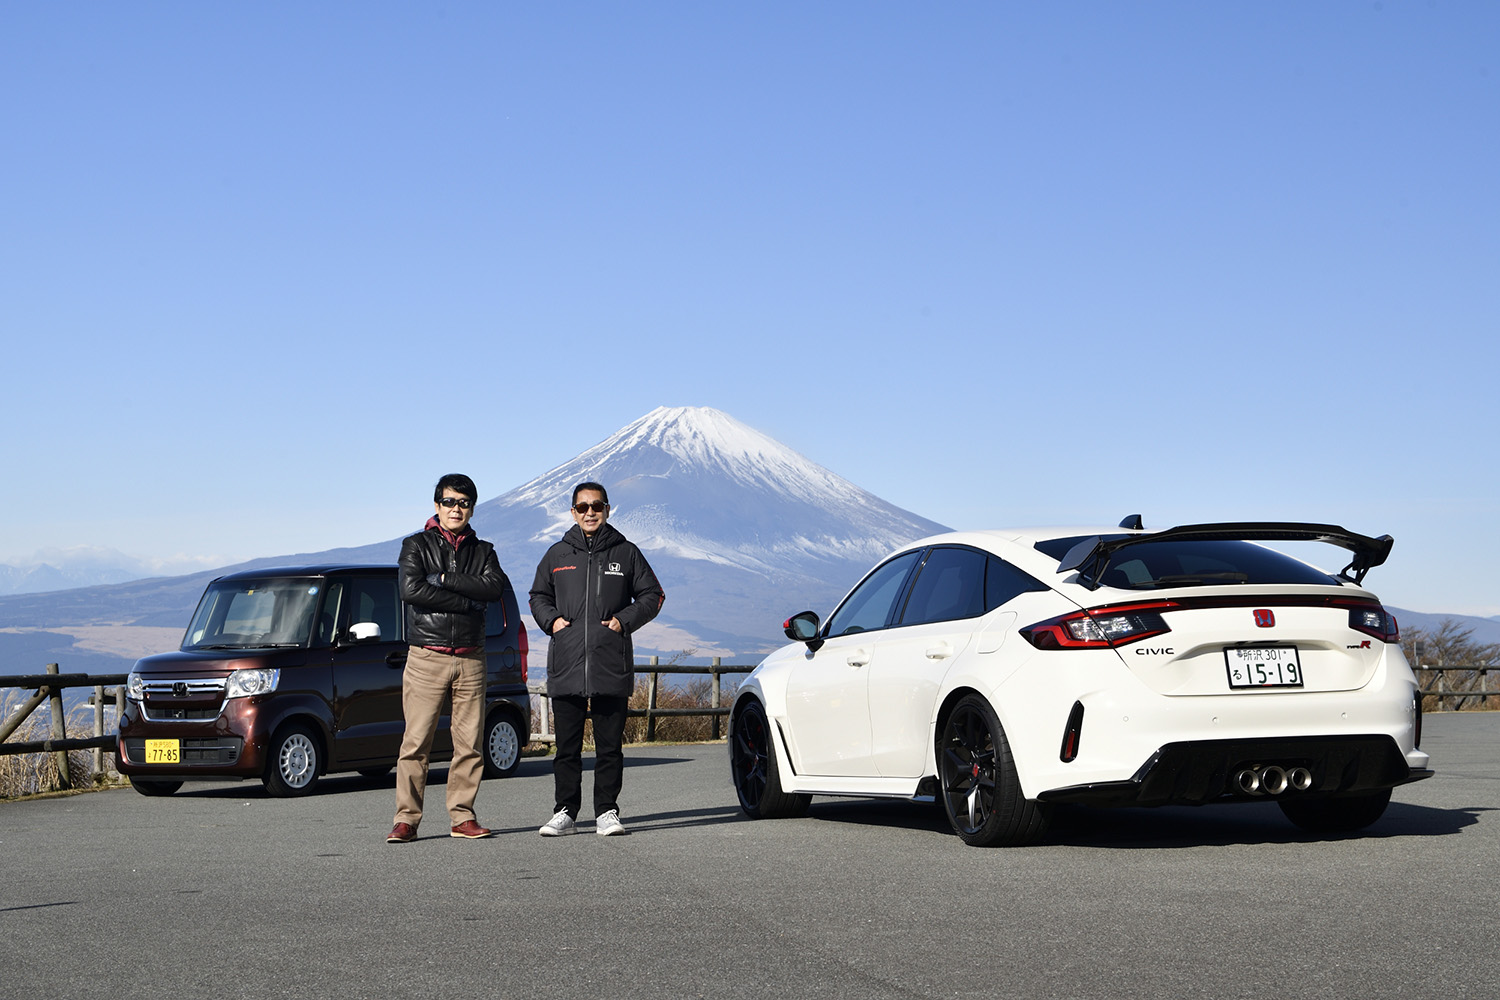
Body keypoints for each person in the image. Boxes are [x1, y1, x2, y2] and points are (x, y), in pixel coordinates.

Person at [529, 482, 664, 836]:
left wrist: (624, 621)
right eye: (583, 506)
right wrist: (552, 622)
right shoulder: (557, 555)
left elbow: (653, 594)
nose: (590, 512)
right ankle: (565, 812)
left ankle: (606, 811)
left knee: (609, 748)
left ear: (607, 509)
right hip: (567, 663)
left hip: (609, 663)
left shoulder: (627, 553)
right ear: (573, 512)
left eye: (597, 506)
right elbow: (537, 595)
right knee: (566, 749)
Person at [387, 473, 508, 844]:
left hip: (471, 658)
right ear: (437, 505)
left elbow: (494, 587)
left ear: (472, 508)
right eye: (451, 502)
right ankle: (406, 819)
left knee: (469, 743)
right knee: (415, 742)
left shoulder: (484, 550)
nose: (457, 509)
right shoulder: (415, 545)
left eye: (464, 503)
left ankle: (463, 817)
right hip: (427, 656)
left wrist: (443, 578)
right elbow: (411, 590)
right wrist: (466, 601)